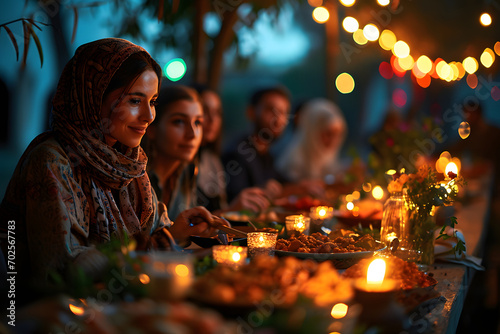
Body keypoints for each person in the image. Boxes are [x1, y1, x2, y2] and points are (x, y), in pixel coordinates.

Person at [0, 38, 217, 284]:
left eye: (153, 102)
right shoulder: (53, 161)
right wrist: (163, 243)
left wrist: (180, 230)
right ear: (93, 97)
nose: (148, 116)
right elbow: (65, 270)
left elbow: (156, 233)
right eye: (135, 101)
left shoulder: (128, 164)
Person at [193, 85, 271, 214]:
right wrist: (232, 209)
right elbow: (188, 222)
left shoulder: (211, 159)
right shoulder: (236, 152)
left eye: (217, 113)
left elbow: (219, 211)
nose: (212, 120)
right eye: (204, 111)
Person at [142, 85, 203, 221]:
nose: (192, 134)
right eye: (179, 121)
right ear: (152, 128)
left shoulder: (187, 172)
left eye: (197, 122)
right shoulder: (136, 181)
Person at [222, 86, 291, 203]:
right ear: (251, 112)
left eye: (283, 112)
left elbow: (283, 183)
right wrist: (263, 191)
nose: (278, 120)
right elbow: (235, 200)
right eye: (271, 110)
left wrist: (303, 187)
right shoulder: (237, 153)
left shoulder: (266, 153)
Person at [276, 98, 347, 183]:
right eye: (328, 134)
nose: (333, 140)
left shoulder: (329, 160)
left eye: (338, 134)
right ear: (313, 131)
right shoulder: (293, 163)